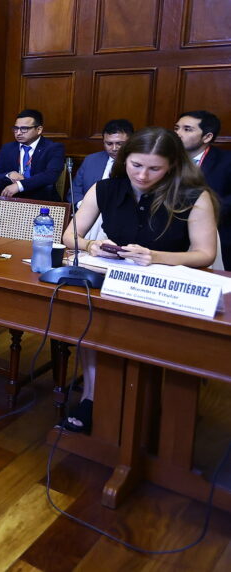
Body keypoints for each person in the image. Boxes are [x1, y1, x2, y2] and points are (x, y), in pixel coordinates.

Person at [60, 127, 220, 434]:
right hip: (114, 278)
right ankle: (92, 397)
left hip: (166, 285)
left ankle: (151, 405)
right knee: (91, 322)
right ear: (125, 160)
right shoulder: (105, 188)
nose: (143, 176)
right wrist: (92, 245)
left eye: (155, 168)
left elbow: (205, 254)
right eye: (136, 165)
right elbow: (70, 236)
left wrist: (155, 256)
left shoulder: (193, 196)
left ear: (172, 165)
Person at [0, 109, 66, 233]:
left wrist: (19, 185)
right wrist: (8, 174)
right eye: (16, 129)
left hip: (41, 202)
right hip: (11, 201)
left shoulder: (53, 148)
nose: (18, 133)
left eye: (24, 129)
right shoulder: (8, 148)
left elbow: (50, 175)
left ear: (39, 129)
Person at [175, 110, 231, 260]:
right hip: (171, 231)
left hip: (216, 232)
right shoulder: (165, 158)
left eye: (187, 129)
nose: (178, 133)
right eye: (176, 128)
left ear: (207, 137)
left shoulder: (226, 161)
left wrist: (203, 211)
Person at [69, 118, 133, 207]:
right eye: (109, 144)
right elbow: (74, 191)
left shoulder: (138, 163)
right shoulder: (91, 160)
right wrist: (84, 206)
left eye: (120, 144)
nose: (114, 148)